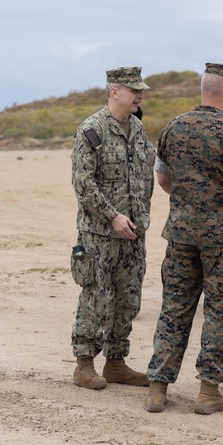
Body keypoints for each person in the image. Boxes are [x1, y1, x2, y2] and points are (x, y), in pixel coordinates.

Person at [146, 63, 223, 414]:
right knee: (220, 311)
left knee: (174, 308)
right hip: (222, 240)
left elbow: (163, 180)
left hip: (180, 234)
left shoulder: (173, 127)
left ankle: (158, 388)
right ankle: (208, 392)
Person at [68, 67, 155, 390]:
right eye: (134, 90)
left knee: (128, 298)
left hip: (133, 233)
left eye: (141, 90)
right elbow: (83, 183)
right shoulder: (92, 130)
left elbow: (147, 175)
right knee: (97, 298)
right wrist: (112, 216)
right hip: (101, 234)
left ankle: (116, 362)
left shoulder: (138, 130)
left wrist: (139, 217)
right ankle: (84, 364)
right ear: (114, 91)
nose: (140, 95)